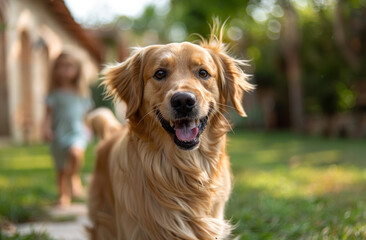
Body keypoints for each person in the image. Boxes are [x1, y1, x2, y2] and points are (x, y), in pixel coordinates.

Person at [44, 52, 93, 206]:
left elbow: (86, 116)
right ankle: (63, 195)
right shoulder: (53, 94)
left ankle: (74, 177)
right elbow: (47, 115)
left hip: (77, 132)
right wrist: (46, 129)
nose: (63, 70)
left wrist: (88, 128)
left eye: (68, 66)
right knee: (61, 168)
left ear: (77, 70)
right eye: (59, 66)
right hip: (59, 134)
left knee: (75, 154)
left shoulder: (81, 93)